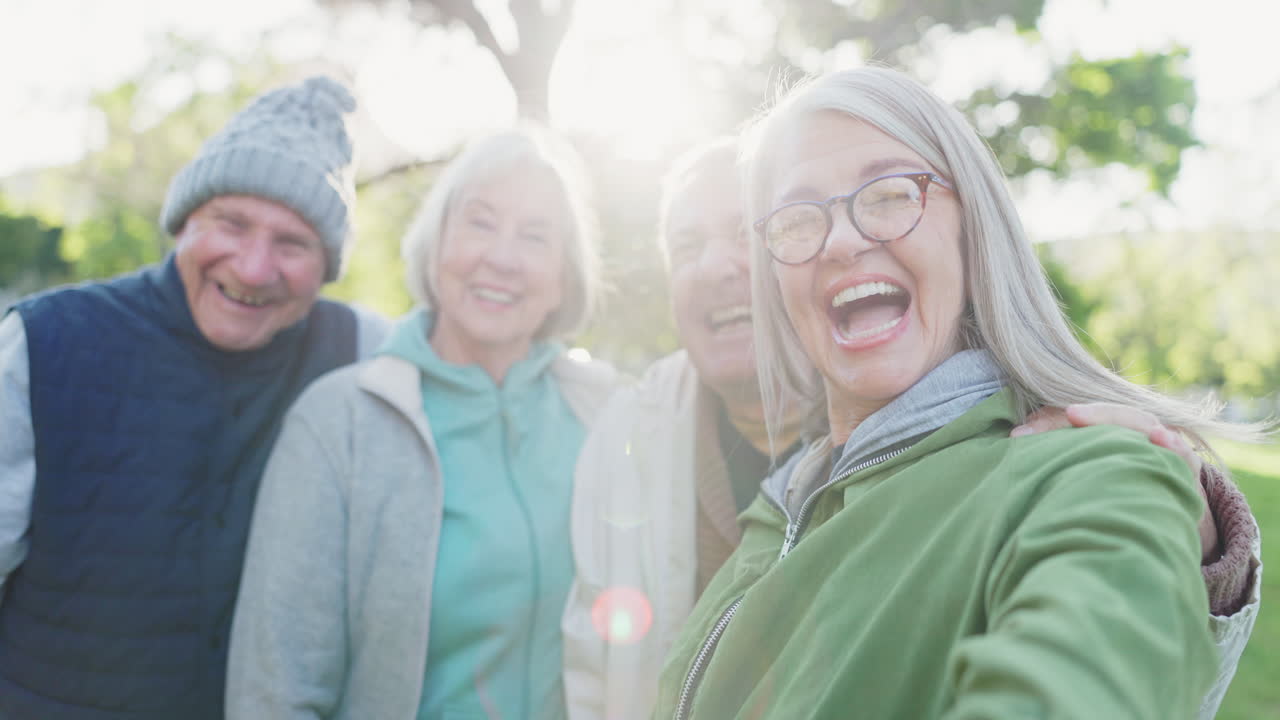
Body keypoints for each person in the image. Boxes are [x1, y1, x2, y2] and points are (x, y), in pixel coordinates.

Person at [633, 66, 1268, 719]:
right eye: (797, 217)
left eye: (889, 193)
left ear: (973, 226)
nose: (842, 240)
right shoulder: (786, 502)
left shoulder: (1088, 470)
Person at [0, 76, 387, 719]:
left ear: (327, 266)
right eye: (232, 224)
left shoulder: (363, 354)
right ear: (185, 222)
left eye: (292, 243)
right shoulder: (44, 343)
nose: (254, 268)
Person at [225, 127, 617, 719]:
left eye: (535, 236)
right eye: (480, 223)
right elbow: (276, 692)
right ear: (436, 248)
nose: (502, 258)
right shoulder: (339, 423)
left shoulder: (608, 416)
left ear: (564, 277)